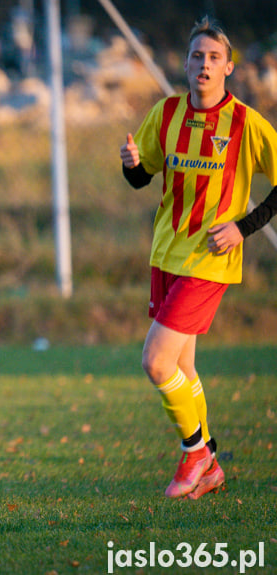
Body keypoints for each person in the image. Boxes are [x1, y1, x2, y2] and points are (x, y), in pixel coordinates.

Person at [120, 17, 277, 500]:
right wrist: (130, 166)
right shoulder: (165, 114)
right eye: (196, 56)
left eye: (213, 57)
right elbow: (142, 177)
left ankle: (196, 456)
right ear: (186, 65)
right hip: (166, 253)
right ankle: (207, 457)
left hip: (209, 259)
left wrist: (244, 227)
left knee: (156, 361)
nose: (204, 64)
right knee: (183, 368)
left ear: (229, 67)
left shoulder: (247, 123)